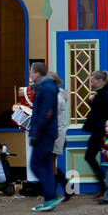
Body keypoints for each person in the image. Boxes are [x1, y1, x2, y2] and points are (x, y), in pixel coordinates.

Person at [28, 61, 60, 211]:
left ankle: (50, 198)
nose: (30, 75)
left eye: (31, 72)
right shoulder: (47, 87)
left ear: (37, 73)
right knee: (46, 166)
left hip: (44, 134)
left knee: (36, 165)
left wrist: (35, 132)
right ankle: (49, 200)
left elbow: (46, 113)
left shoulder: (46, 88)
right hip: (47, 133)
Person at [82, 70, 108, 195]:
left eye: (93, 81)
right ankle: (107, 188)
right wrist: (92, 100)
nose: (91, 84)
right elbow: (100, 110)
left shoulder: (107, 93)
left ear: (101, 81)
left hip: (103, 131)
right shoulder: (103, 92)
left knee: (94, 157)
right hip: (101, 130)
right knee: (102, 159)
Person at [48, 71, 70, 201]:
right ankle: (65, 189)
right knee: (51, 164)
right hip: (58, 133)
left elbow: (51, 116)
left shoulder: (56, 96)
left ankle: (55, 193)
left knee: (50, 164)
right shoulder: (59, 94)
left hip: (56, 133)